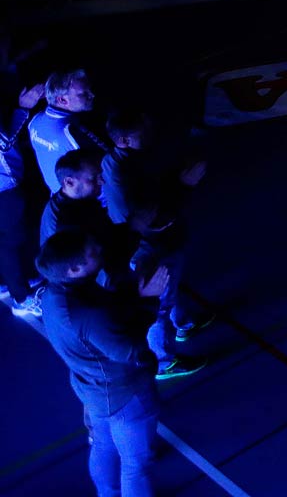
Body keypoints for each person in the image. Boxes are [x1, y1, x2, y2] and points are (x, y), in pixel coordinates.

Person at [37, 231, 178, 497]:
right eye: (92, 253)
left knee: (102, 444)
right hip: (124, 394)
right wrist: (149, 300)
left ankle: (108, 493)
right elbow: (128, 349)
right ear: (74, 269)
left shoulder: (54, 294)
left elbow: (106, 315)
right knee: (137, 465)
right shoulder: (88, 314)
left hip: (90, 387)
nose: (99, 249)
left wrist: (132, 296)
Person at [102, 110, 213, 369]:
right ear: (125, 140)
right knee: (159, 301)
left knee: (171, 286)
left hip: (163, 240)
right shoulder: (122, 175)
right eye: (142, 133)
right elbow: (151, 216)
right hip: (151, 247)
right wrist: (184, 184)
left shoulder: (123, 159)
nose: (150, 136)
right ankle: (164, 361)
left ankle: (183, 323)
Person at [2, 74, 46, 317]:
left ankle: (8, 283)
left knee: (6, 242)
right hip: (5, 190)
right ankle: (21, 298)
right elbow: (5, 143)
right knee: (10, 244)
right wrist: (24, 109)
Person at [29, 71, 111, 192]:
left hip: (59, 198)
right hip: (90, 202)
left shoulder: (34, 121)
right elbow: (109, 169)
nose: (92, 95)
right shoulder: (74, 131)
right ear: (62, 100)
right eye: (83, 93)